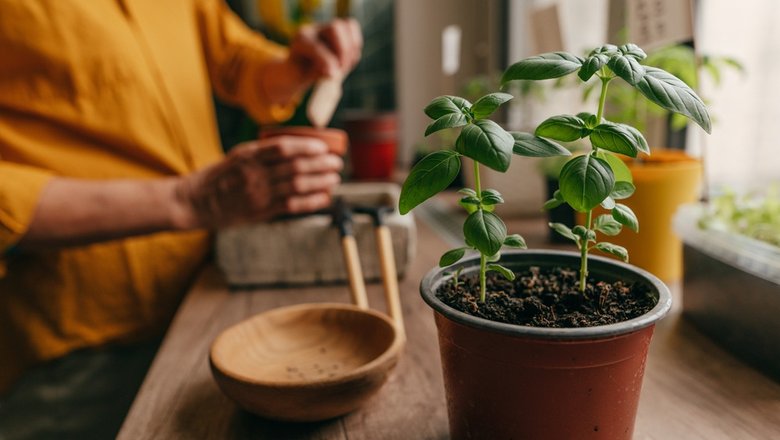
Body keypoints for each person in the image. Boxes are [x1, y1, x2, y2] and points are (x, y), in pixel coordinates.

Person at [0, 1, 362, 438]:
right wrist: (187, 199)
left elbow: (232, 56)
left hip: (204, 296)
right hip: (79, 346)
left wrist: (292, 68)